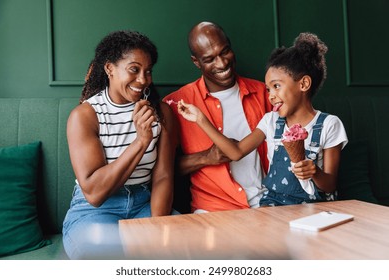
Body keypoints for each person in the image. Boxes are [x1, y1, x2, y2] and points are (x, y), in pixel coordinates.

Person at [177, 32, 348, 206]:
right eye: (268, 89)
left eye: (276, 86)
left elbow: (329, 185)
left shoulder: (329, 125)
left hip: (312, 209)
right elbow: (236, 152)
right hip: (272, 207)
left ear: (303, 84)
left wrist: (314, 172)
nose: (271, 96)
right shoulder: (270, 121)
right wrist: (201, 119)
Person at [62, 30, 176, 259]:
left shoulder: (161, 112)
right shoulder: (85, 116)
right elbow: (95, 193)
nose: (143, 79)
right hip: (93, 211)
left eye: (148, 71)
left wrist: (156, 229)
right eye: (134, 69)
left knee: (181, 250)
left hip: (145, 203)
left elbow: (163, 176)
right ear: (109, 68)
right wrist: (141, 141)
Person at [163, 22, 272, 213]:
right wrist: (206, 158)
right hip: (213, 210)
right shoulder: (176, 104)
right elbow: (161, 169)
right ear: (196, 62)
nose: (222, 63)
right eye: (209, 59)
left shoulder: (264, 93)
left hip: (266, 203)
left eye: (225, 52)